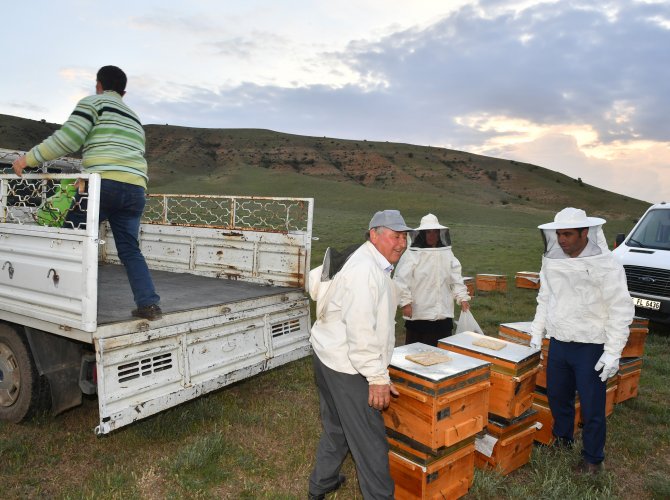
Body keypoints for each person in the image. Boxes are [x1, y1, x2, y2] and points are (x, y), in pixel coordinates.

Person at [12, 65, 161, 320]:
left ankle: (64, 302)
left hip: (102, 184)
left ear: (98, 85)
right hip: (136, 188)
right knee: (129, 249)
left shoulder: (94, 103)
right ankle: (149, 304)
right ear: (123, 92)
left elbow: (68, 139)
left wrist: (28, 160)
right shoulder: (135, 119)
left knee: (74, 240)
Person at [307, 209, 411, 500]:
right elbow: (361, 329)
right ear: (374, 234)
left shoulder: (365, 257)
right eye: (394, 236)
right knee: (371, 444)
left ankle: (321, 484)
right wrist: (377, 376)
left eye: (404, 237)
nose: (401, 243)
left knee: (337, 427)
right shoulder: (365, 270)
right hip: (349, 366)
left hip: (327, 354)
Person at [529, 207, 633, 474]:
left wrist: (613, 352)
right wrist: (536, 333)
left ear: (585, 233)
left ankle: (593, 459)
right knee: (557, 396)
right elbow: (546, 299)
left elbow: (620, 308)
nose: (562, 240)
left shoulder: (606, 264)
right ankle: (562, 439)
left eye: (568, 234)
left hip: (591, 345)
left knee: (592, 405)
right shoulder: (552, 260)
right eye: (558, 234)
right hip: (560, 342)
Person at [393, 213, 470, 346]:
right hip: (419, 314)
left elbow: (456, 278)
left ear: (440, 233)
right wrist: (405, 303)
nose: (432, 235)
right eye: (428, 232)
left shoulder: (447, 253)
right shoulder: (412, 254)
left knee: (442, 356)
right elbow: (400, 280)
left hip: (443, 315)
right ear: (422, 234)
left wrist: (462, 298)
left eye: (435, 232)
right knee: (417, 356)